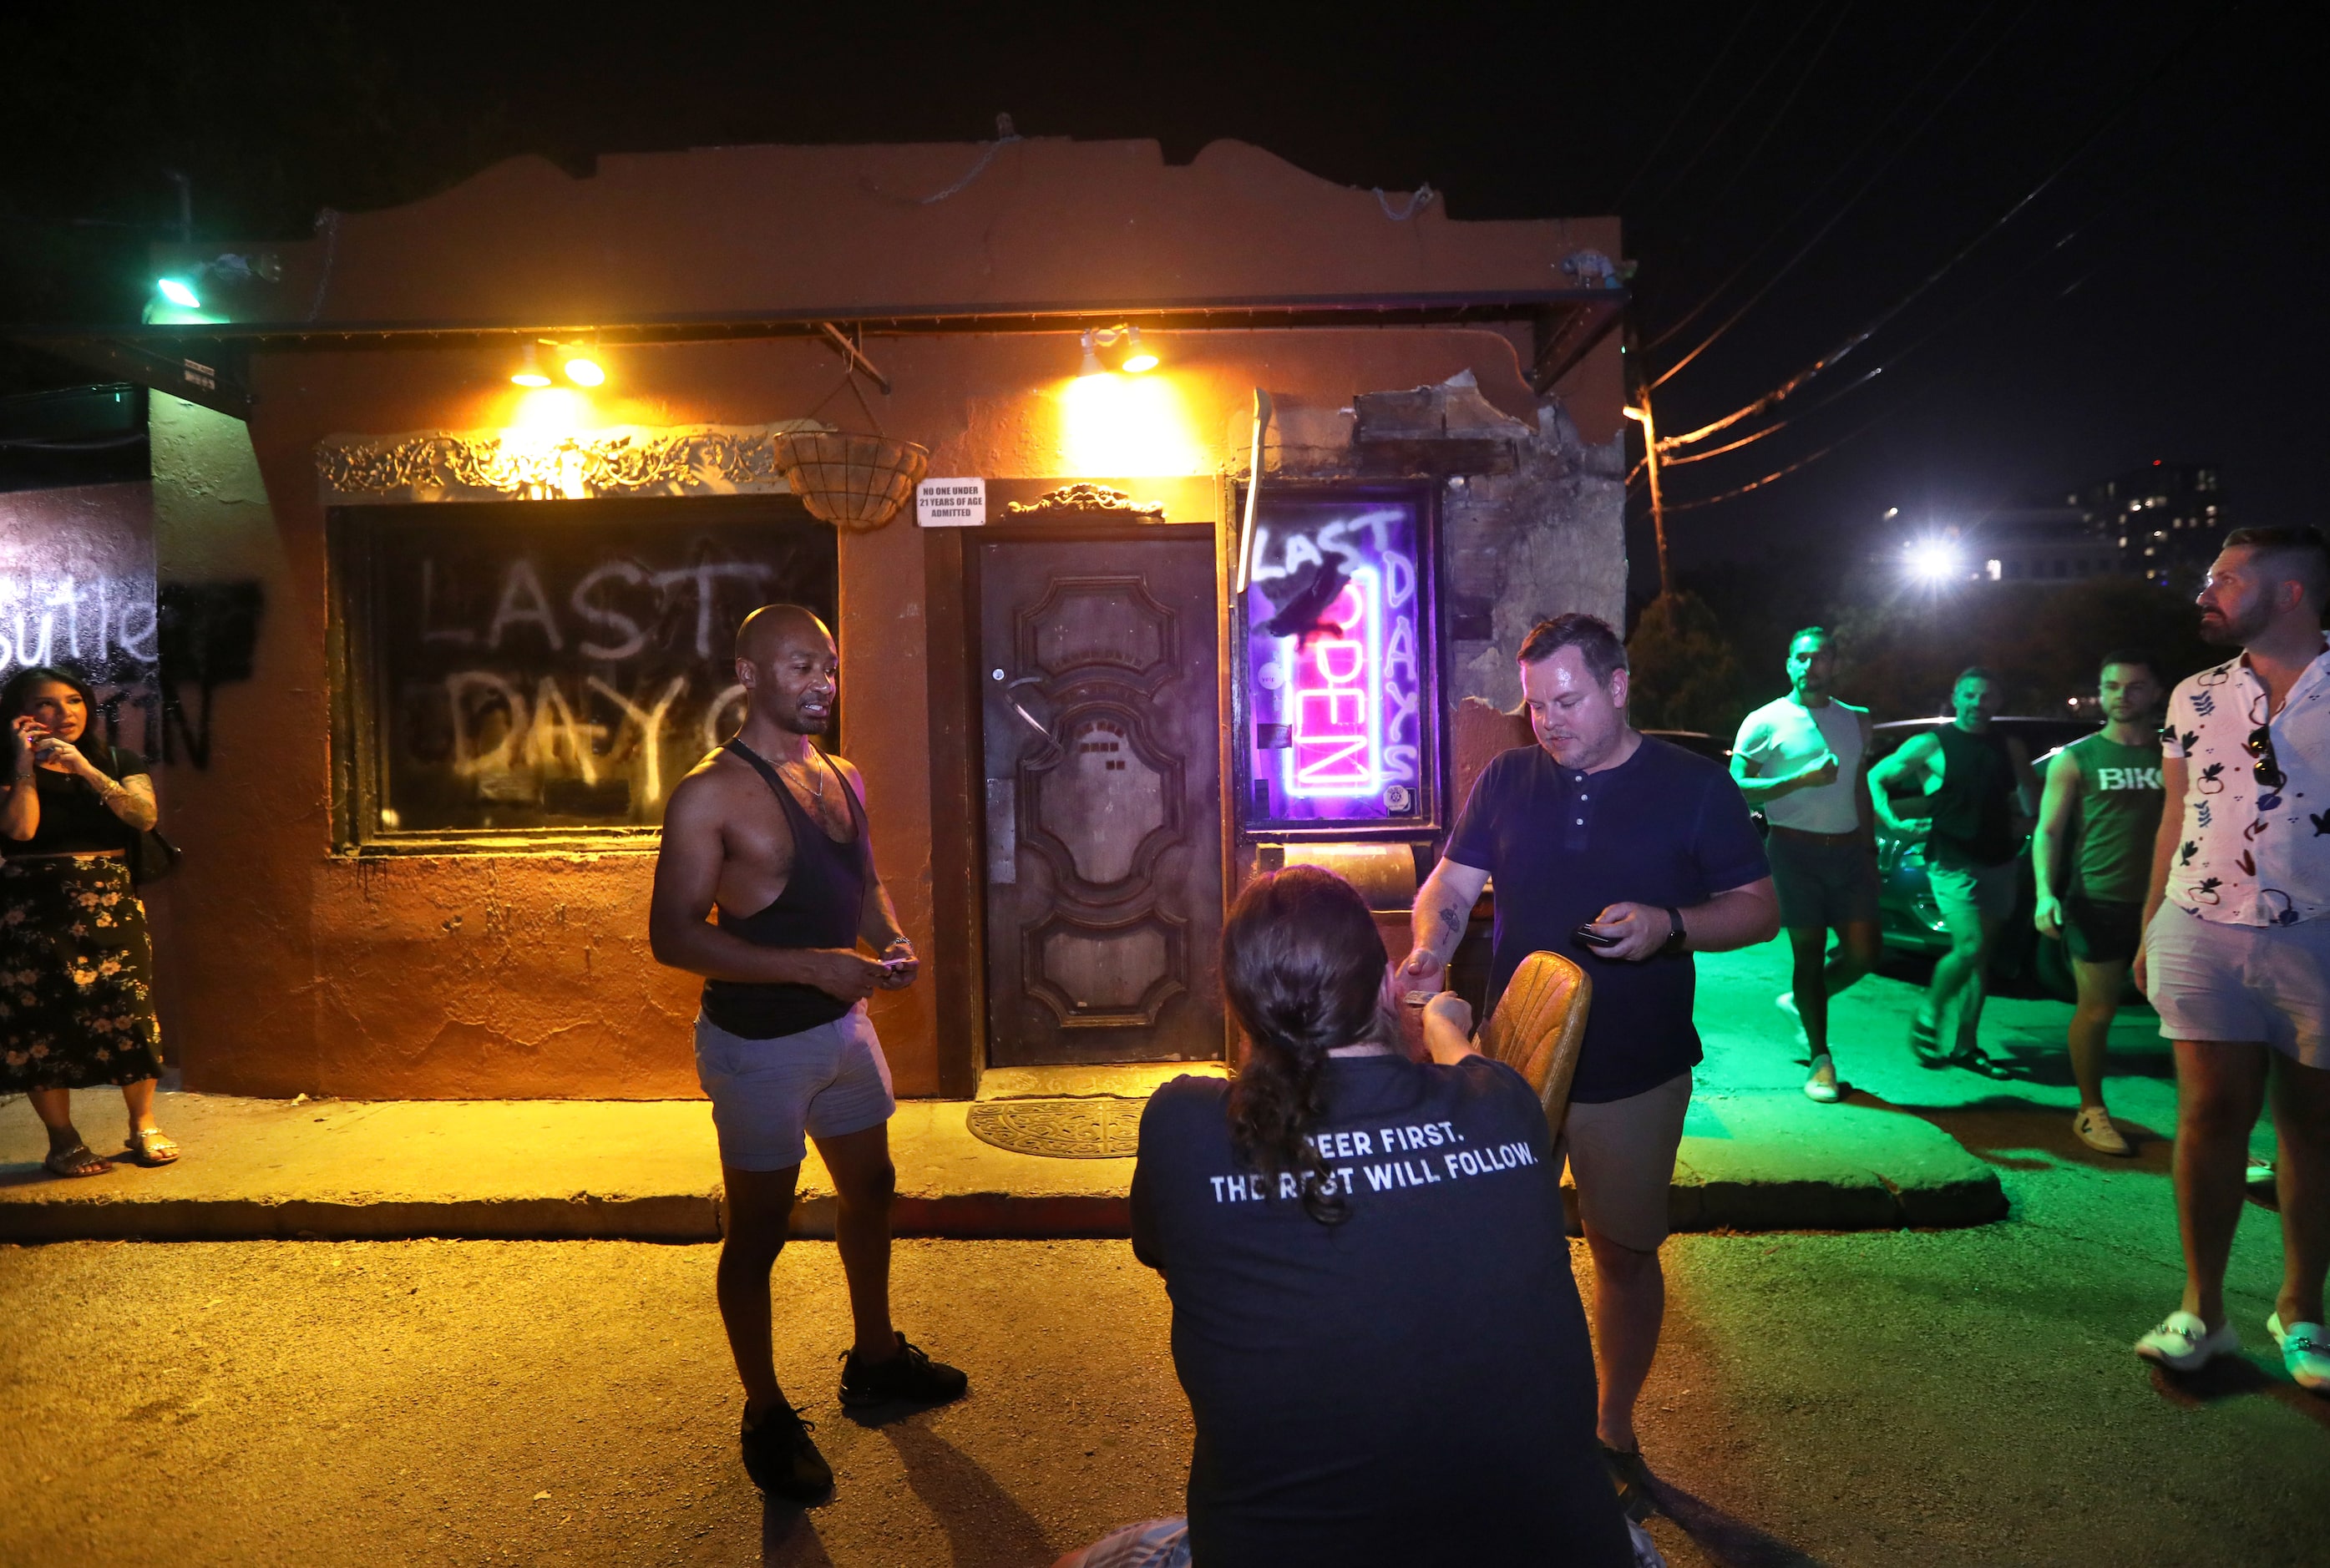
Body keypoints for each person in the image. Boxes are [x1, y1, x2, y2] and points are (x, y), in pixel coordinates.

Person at [1061, 866, 1640, 1568]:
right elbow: (1473, 1071)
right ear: (1388, 982)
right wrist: (1444, 1029)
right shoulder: (1503, 1105)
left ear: (1240, 1006)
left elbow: (1160, 1249)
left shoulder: (1184, 1126)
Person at [1401, 614, 1778, 1520]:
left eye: (1566, 702)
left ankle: (1611, 1427)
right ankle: (1501, 1418)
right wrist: (1426, 951)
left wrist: (1669, 927)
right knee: (1491, 1247)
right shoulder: (1507, 777)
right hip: (1515, 1059)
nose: (1549, 724)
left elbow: (1758, 909)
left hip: (1635, 1068)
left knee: (1621, 1251)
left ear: (1617, 686)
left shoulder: (1696, 787)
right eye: (1535, 707)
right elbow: (1451, 886)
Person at [648, 604, 966, 1502]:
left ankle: (875, 1358)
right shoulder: (709, 793)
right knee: (760, 1231)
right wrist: (809, 968)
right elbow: (672, 935)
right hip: (756, 1047)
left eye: (828, 669)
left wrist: (889, 942)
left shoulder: (843, 775)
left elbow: (864, 882)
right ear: (749, 674)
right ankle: (764, 1410)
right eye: (799, 668)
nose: (821, 685)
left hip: (842, 1030)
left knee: (872, 1188)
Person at [2130, 529, 2330, 1393]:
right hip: (2201, 926)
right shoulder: (2195, 695)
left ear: (2289, 593)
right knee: (2208, 1118)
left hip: (2319, 936)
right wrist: (2149, 928)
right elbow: (2176, 817)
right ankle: (2203, 1313)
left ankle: (2302, 1309)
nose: (2206, 592)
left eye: (2227, 579)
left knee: (2313, 1133)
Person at [1, 665, 174, 1177]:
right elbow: (21, 829)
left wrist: (85, 770)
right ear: (22, 715)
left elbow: (143, 817)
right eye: (47, 704)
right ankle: (63, 1140)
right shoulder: (6, 766)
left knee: (130, 1013)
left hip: (111, 906)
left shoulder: (120, 760)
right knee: (40, 1027)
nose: (63, 713)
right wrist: (24, 766)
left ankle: (143, 1123)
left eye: (74, 701)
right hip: (31, 912)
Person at [1731, 626, 1878, 1103]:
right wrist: (1800, 778)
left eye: (1819, 658)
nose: (1809, 666)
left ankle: (1801, 1004)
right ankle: (1821, 1060)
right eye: (1800, 657)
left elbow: (1859, 785)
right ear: (1788, 663)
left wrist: (1870, 846)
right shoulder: (1765, 720)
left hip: (1850, 850)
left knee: (1864, 954)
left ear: (1834, 664)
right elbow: (1734, 788)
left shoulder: (1858, 720)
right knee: (1809, 956)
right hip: (1794, 851)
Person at [1867, 667, 2038, 1070]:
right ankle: (1930, 1010)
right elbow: (1877, 776)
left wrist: (2032, 821)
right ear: (1957, 697)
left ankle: (1966, 1044)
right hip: (1950, 862)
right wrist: (1891, 820)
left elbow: (2032, 794)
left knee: (1982, 958)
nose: (1979, 703)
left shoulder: (2008, 747)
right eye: (1971, 695)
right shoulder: (1931, 744)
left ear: (1998, 702)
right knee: (1970, 946)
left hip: (1999, 861)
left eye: (1988, 696)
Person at [2031, 653, 2165, 1156]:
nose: (2122, 696)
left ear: (2155, 692)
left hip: (2171, 903)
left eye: (2134, 686)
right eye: (2112, 686)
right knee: (2098, 1010)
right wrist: (2045, 893)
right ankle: (2091, 1111)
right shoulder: (2076, 757)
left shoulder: (2178, 754)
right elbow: (2048, 831)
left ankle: (2214, 1129)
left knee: (2193, 1017)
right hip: (2099, 900)